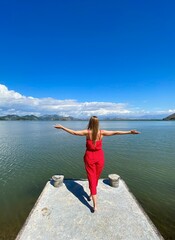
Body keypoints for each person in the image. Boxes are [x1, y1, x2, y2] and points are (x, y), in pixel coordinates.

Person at [54, 116, 140, 212]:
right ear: (98, 123)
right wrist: (129, 132)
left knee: (93, 178)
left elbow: (74, 132)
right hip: (99, 157)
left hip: (90, 157)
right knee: (93, 178)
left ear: (90, 123)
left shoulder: (87, 132)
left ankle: (93, 198)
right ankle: (94, 202)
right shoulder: (101, 133)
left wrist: (62, 127)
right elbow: (115, 132)